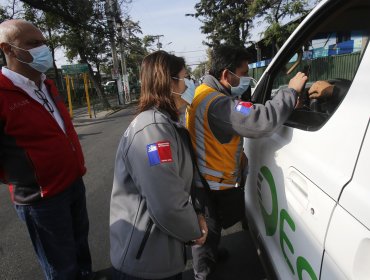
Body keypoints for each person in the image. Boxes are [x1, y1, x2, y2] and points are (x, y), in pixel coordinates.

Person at [186, 45, 307, 279]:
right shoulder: (218, 104)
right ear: (226, 75)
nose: (245, 80)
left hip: (206, 175)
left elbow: (245, 111)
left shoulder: (202, 91)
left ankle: (211, 254)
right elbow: (261, 120)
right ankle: (202, 273)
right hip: (211, 181)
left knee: (212, 226)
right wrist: (290, 92)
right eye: (242, 74)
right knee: (206, 229)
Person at [0, 20, 92, 279]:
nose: (43, 49)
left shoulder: (47, 84)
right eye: (33, 43)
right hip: (41, 199)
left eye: (43, 43)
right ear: (8, 49)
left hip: (73, 182)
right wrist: (26, 179)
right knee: (60, 264)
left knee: (80, 245)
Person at [110, 50, 208, 280]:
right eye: (185, 79)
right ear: (168, 82)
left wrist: (196, 212)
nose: (189, 86)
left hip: (158, 251)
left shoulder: (165, 123)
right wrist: (195, 229)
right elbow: (167, 204)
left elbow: (176, 184)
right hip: (144, 261)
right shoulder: (153, 131)